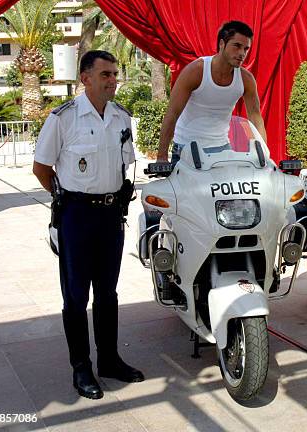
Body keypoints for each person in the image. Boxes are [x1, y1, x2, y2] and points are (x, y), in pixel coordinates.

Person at [33, 50, 143, 400]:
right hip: (77, 215)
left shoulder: (122, 118)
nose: (113, 80)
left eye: (115, 74)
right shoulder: (63, 118)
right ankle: (81, 367)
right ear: (86, 78)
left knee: (108, 292)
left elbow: (125, 166)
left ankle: (109, 360)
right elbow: (42, 167)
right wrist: (65, 198)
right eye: (106, 74)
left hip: (111, 214)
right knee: (76, 295)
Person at [156, 20, 266, 164]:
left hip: (222, 148)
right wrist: (161, 157)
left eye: (246, 49)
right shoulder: (197, 70)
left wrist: (264, 156)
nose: (241, 53)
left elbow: (256, 118)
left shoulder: (246, 79)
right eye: (237, 46)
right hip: (187, 148)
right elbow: (172, 113)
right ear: (222, 44)